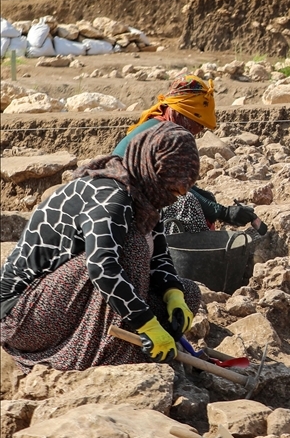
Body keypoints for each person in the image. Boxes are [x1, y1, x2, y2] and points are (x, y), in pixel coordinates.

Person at [1, 122, 202, 370]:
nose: (179, 193)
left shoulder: (145, 199)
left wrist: (174, 295)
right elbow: (102, 267)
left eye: (185, 187)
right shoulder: (111, 195)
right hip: (24, 319)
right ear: (152, 168)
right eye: (173, 185)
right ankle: (113, 359)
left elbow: (159, 256)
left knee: (189, 291)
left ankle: (137, 347)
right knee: (134, 249)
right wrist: (146, 324)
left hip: (69, 304)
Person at [114, 75, 258, 234]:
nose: (199, 130)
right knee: (186, 204)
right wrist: (223, 213)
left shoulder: (162, 125)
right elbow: (175, 190)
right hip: (123, 200)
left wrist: (217, 209)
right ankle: (186, 252)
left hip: (135, 194)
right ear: (178, 114)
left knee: (205, 198)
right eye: (197, 123)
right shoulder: (164, 135)